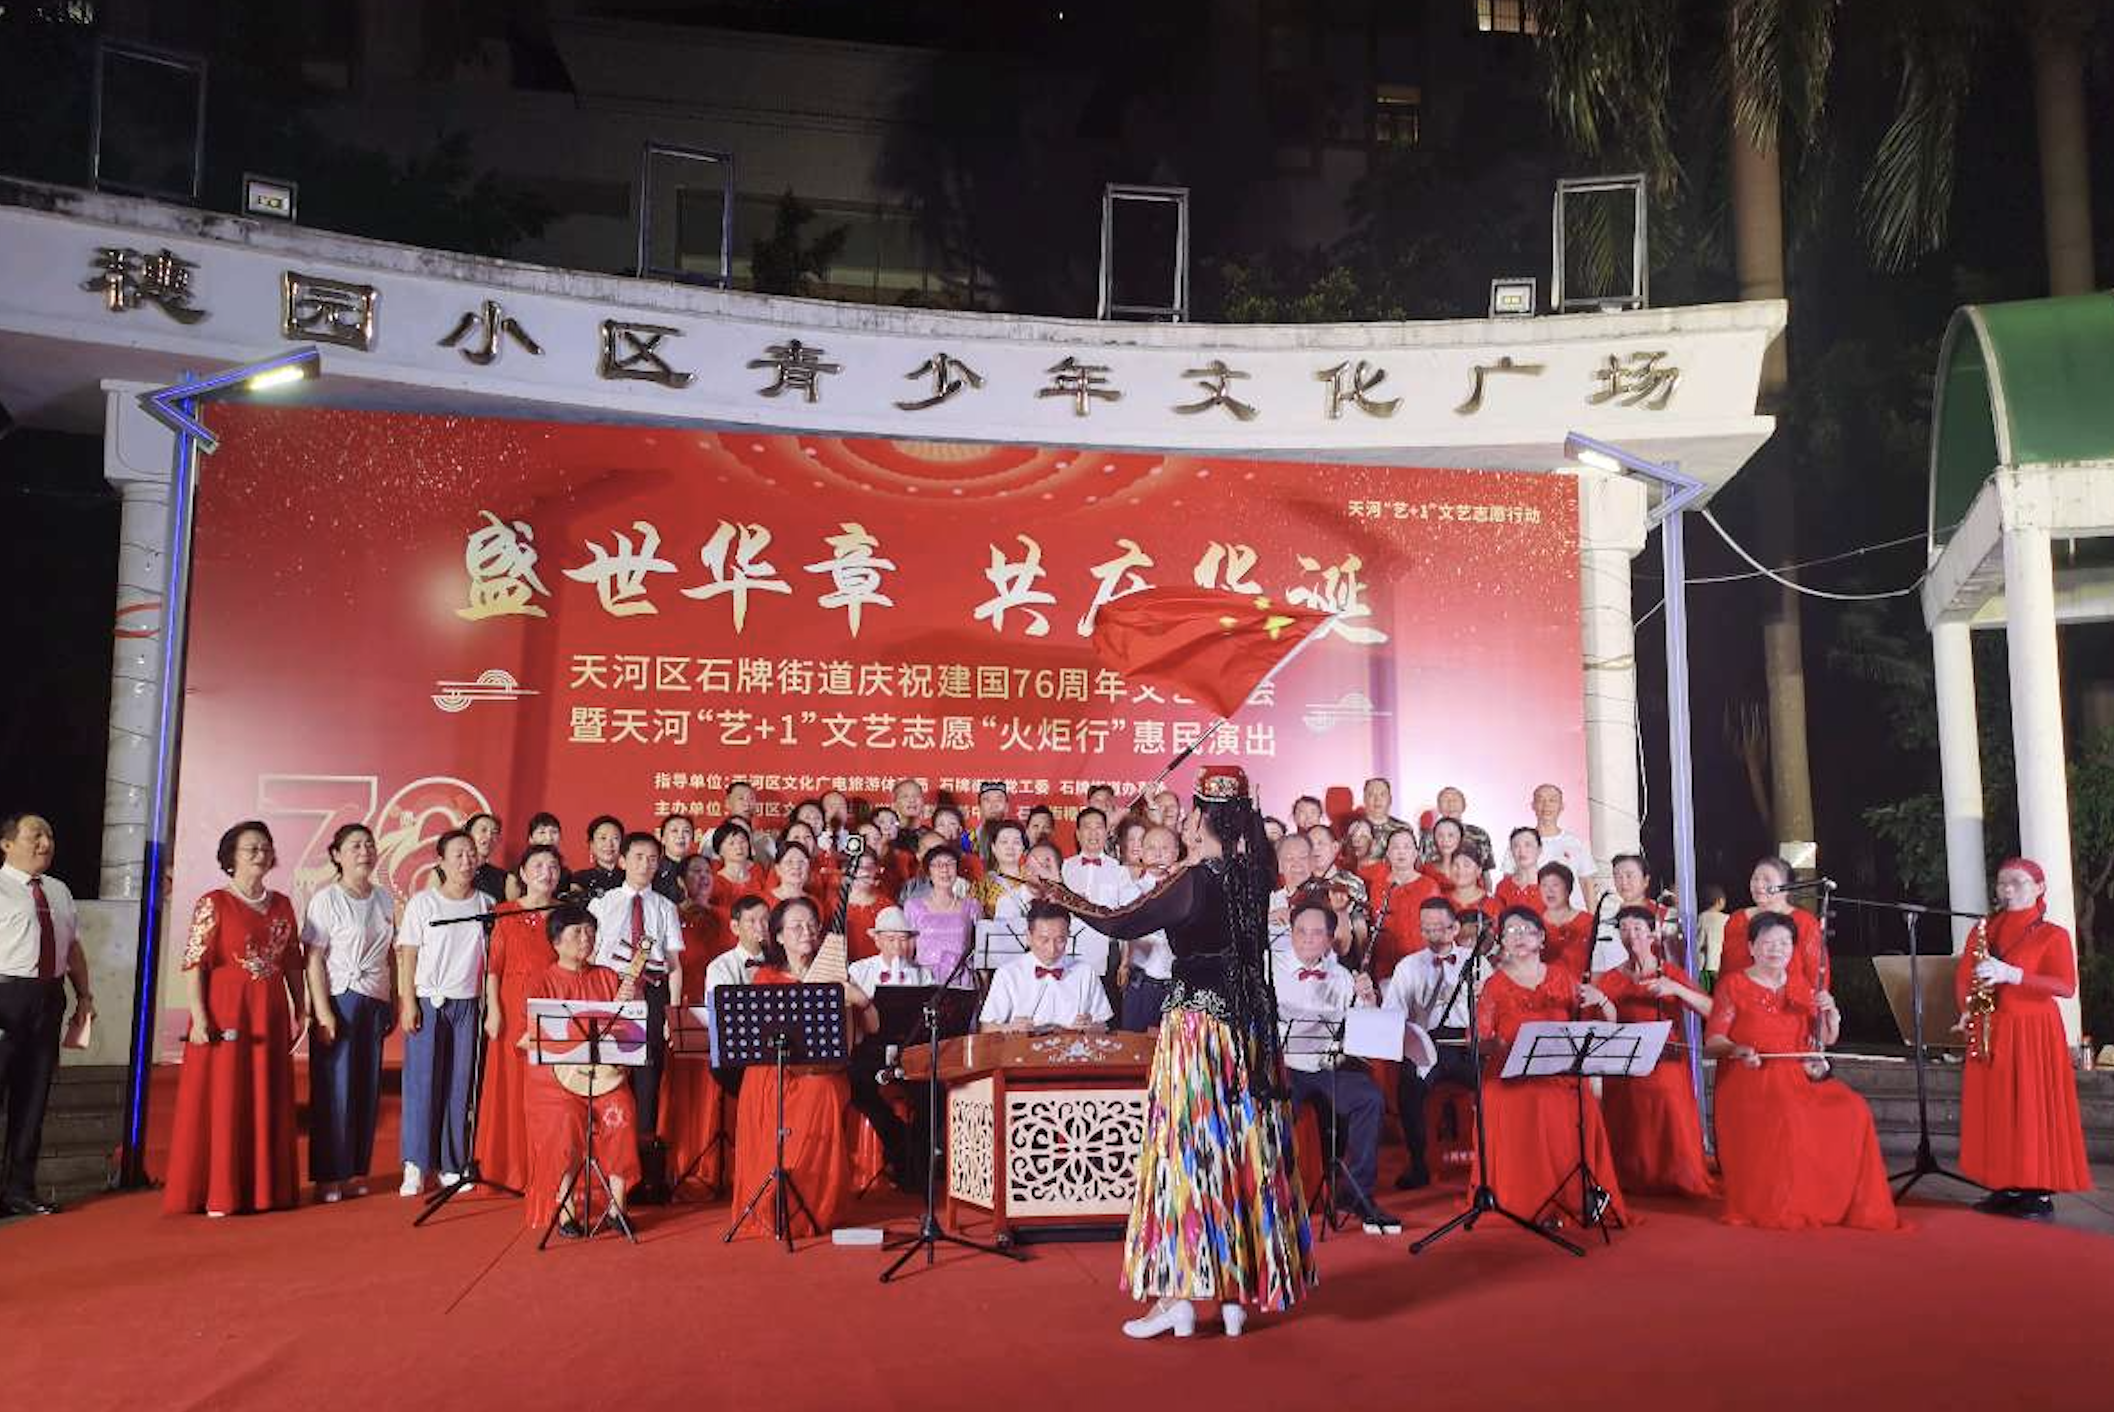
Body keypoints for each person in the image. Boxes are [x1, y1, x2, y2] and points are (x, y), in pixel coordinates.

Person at [1047, 764, 1313, 1341]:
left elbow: (1117, 923)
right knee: (1238, 1148)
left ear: (1199, 817)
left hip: (1196, 1029)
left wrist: (1053, 889)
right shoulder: (1254, 876)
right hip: (1247, 1032)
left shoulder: (1195, 882)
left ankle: (1177, 1294)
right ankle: (1234, 1293)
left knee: (1186, 1150)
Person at [1704, 911, 1897, 1230]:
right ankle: (1787, 1201)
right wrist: (1737, 1050)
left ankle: (1828, 1200)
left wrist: (1831, 1014)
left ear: (1793, 948)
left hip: (1796, 1075)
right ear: (1751, 947)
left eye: (1784, 943)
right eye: (1767, 943)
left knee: (1854, 1109)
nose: (1776, 950)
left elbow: (1823, 1040)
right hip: (1750, 1076)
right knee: (1790, 1112)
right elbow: (1714, 1040)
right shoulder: (1733, 985)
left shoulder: (1802, 986)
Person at [164, 821, 306, 1216]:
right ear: (231, 857)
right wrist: (199, 1017)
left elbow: (292, 962)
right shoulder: (214, 902)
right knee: (225, 1095)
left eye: (266, 848)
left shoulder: (282, 904)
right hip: (227, 1010)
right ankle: (220, 1192)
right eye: (251, 849)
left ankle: (265, 1191)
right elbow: (194, 962)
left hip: (270, 1011)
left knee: (267, 1094)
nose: (261, 854)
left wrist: (301, 1007)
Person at [1953, 858, 2092, 1221]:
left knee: (2031, 1105)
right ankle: (2007, 1185)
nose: (2008, 889)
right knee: (1997, 1106)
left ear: (2040, 888)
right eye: (2002, 882)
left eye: (2017, 882)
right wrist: (1967, 1008)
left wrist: (2014, 975)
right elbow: (1965, 974)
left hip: (2033, 1032)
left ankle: (2038, 1192)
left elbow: (2065, 986)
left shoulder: (2052, 935)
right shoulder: (1984, 930)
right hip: (1992, 1027)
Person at [1474, 906, 1628, 1229]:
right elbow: (1478, 1040)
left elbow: (1601, 1027)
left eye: (1526, 930)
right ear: (1501, 940)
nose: (1518, 936)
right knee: (1520, 1101)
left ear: (1541, 937)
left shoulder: (1562, 977)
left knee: (1574, 1102)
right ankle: (1528, 1201)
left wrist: (1602, 1000)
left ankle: (1575, 1198)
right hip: (1511, 1075)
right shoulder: (1493, 985)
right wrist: (1495, 1045)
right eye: (1510, 931)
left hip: (1559, 1073)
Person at [727, 897, 861, 1238]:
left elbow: (867, 1026)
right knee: (774, 1088)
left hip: (820, 1071)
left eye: (812, 925)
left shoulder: (834, 973)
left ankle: (814, 1204)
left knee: (825, 1089)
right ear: (778, 936)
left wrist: (855, 997)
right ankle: (773, 1200)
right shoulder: (766, 977)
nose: (806, 932)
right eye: (796, 926)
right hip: (774, 1069)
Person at [517, 903, 641, 1236]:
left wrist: (629, 1007)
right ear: (556, 941)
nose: (586, 938)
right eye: (577, 932)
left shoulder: (608, 977)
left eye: (590, 931)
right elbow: (525, 1038)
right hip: (555, 1081)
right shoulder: (541, 981)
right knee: (565, 1122)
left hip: (603, 1076)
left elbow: (627, 1033)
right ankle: (566, 1208)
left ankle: (618, 1206)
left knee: (622, 1111)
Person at [1273, 901, 1395, 1231]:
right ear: (1291, 933)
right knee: (1269, 1107)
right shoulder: (1271, 968)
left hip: (1327, 1067)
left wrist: (1367, 1000)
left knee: (1370, 1098)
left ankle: (1356, 1192)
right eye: (1301, 932)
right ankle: (1274, 1195)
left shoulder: (1342, 976)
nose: (1307, 939)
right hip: (1285, 1066)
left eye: (1317, 933)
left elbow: (1367, 1034)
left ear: (1330, 939)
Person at [0, 813, 92, 1217]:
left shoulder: (58, 890)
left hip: (48, 998)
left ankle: (19, 1190)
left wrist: (84, 995)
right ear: (7, 844)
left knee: (33, 1097)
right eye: (35, 835)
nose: (46, 843)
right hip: (5, 996)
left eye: (50, 835)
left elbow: (72, 948)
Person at [301, 823, 397, 1203]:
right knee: (334, 1089)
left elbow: (390, 954)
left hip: (374, 1000)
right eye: (355, 846)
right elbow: (313, 959)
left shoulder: (384, 899)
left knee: (365, 1088)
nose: (364, 852)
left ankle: (356, 1169)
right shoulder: (326, 899)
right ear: (336, 855)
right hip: (339, 1001)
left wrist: (392, 998)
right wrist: (322, 1010)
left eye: (369, 845)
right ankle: (329, 1175)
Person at [395, 828, 492, 1197]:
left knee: (459, 1084)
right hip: (429, 1002)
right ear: (441, 861)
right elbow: (408, 955)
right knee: (422, 1084)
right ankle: (416, 1164)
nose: (466, 861)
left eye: (471, 854)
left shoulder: (486, 904)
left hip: (468, 1003)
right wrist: (408, 1001)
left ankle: (452, 1163)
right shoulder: (424, 903)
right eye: (458, 855)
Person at [1592, 907, 1715, 1198]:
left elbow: (1710, 1009)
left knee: (1668, 1101)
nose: (1631, 935)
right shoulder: (1610, 978)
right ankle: (1631, 1177)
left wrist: (1676, 989)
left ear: (1651, 934)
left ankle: (1676, 1177)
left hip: (1664, 1061)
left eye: (1637, 928)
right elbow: (1601, 1026)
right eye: (1624, 928)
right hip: (1624, 1064)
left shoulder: (1668, 972)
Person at [587, 832, 685, 1198]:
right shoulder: (602, 904)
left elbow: (674, 964)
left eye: (653, 858)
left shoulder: (665, 907)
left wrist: (671, 1013)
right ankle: (608, 1167)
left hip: (653, 995)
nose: (646, 864)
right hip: (612, 993)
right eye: (639, 857)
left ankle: (642, 1174)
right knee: (610, 1077)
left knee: (648, 1079)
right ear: (623, 860)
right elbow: (591, 955)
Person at [472, 843, 562, 1195]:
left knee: (548, 1091)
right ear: (523, 873)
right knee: (509, 1088)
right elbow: (493, 968)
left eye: (553, 866)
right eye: (538, 865)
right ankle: (509, 1169)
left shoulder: (565, 913)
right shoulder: (505, 912)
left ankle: (547, 1169)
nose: (546, 873)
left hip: (551, 1008)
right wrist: (493, 1010)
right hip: (511, 1008)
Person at [1384, 897, 1481, 1190]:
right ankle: (1418, 1164)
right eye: (1426, 928)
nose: (1432, 934)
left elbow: (1492, 1005)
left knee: (1493, 1083)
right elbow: (1393, 1012)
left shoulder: (1475, 960)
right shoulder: (1408, 966)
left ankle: (1493, 1163)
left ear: (1455, 928)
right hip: (1428, 1044)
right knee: (1409, 1087)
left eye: (1439, 927)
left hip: (1467, 1043)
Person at [979, 902, 1111, 1032]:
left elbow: (1103, 1026)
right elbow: (986, 1028)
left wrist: (1091, 1027)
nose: (1052, 949)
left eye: (1060, 940)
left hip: (1072, 1044)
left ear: (1068, 935)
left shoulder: (1086, 972)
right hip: (1024, 1045)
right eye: (1044, 940)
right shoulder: (1007, 974)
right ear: (1028, 937)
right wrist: (1009, 1028)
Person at [1717, 855, 1828, 992]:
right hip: (1739, 999)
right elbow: (1726, 966)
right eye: (1755, 879)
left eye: (1767, 880)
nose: (1759, 885)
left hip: (1788, 1000)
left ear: (1786, 887)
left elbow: (1816, 972)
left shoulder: (1805, 922)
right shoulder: (1737, 919)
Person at [1113, 824, 1179, 1032]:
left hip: (1177, 985)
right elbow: (1126, 933)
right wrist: (1124, 962)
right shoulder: (1131, 892)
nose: (1158, 854)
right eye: (1151, 848)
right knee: (1136, 1045)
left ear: (1176, 853)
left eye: (1165, 848)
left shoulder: (1186, 891)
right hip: (1141, 984)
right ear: (1141, 852)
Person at [1364, 829, 1439, 980]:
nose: (1401, 852)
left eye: (1406, 847)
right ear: (1388, 853)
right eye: (1395, 847)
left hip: (1421, 965)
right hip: (1385, 966)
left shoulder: (1429, 886)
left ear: (1415, 853)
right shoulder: (1377, 886)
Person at [904, 845, 978, 986]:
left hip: (961, 979)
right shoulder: (913, 907)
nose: (944, 869)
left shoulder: (972, 906)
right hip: (924, 980)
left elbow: (979, 949)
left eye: (950, 864)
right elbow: (907, 950)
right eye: (938, 865)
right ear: (928, 871)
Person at [1530, 784, 1596, 909]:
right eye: (1541, 800)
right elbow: (1510, 882)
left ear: (1562, 806)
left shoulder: (1575, 842)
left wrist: (1593, 917)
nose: (1546, 805)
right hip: (1534, 916)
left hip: (1572, 914)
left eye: (1552, 800)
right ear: (1533, 805)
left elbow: (1587, 883)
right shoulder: (1521, 843)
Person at [1537, 864, 1592, 976]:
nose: (1549, 890)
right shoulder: (1534, 923)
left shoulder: (1588, 922)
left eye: (1555, 885)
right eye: (1544, 885)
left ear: (1568, 888)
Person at [1423, 788, 1494, 871]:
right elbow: (1421, 869)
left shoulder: (1479, 834)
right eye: (1445, 800)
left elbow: (1485, 870)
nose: (1451, 803)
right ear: (1439, 807)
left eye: (1455, 800)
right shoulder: (1429, 836)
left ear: (1464, 806)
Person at [975, 821, 1034, 920]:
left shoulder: (1033, 878)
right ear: (993, 848)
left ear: (1023, 848)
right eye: (1004, 842)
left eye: (1016, 842)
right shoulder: (983, 885)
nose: (1010, 847)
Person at [573, 815, 627, 897]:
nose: (609, 844)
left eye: (615, 838)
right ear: (591, 844)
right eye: (603, 838)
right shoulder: (580, 878)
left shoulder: (631, 877)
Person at [462, 813, 510, 903]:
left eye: (494, 833)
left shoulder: (502, 877)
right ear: (468, 834)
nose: (489, 836)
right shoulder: (447, 870)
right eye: (483, 830)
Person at [1494, 827, 1544, 913]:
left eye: (1528, 845)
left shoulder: (1550, 886)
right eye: (1516, 846)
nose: (1522, 851)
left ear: (1539, 849)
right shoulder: (1503, 886)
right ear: (1511, 851)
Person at [652, 814, 696, 903]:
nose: (681, 836)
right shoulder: (653, 870)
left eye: (686, 831)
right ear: (662, 839)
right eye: (674, 831)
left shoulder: (700, 870)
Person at [1358, 777, 1413, 842]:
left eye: (1382, 795)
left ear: (1390, 799)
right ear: (1364, 799)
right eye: (1371, 795)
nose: (1377, 800)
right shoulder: (1356, 829)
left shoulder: (1403, 828)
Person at [1695, 883, 1729, 988]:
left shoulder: (1702, 917)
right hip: (1721, 964)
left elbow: (1698, 941)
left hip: (1705, 965)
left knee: (1704, 991)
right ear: (1720, 901)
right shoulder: (1727, 919)